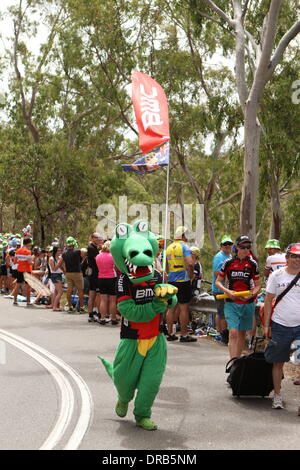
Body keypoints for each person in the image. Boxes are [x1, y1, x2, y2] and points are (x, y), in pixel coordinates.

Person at [264, 243, 300, 412]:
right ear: (287, 258)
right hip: (280, 325)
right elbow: (268, 301)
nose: (297, 260)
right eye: (294, 256)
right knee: (278, 363)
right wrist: (266, 326)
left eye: (299, 257)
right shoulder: (276, 276)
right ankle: (277, 395)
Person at [215, 235, 260, 358]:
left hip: (247, 303)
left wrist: (251, 294)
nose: (246, 250)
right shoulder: (228, 262)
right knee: (233, 333)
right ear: (237, 248)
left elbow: (257, 285)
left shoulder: (253, 264)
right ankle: (233, 361)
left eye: (248, 247)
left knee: (241, 335)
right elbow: (218, 282)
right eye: (243, 247)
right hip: (231, 302)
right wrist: (227, 291)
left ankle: (237, 361)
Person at [165, 226, 196, 342]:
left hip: (172, 279)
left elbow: (166, 266)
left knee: (171, 308)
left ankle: (170, 333)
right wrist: (191, 275)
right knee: (184, 308)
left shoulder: (168, 248)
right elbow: (190, 263)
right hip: (183, 280)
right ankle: (183, 335)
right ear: (183, 236)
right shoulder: (184, 246)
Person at [212, 236, 234, 345]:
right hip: (219, 289)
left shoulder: (230, 256)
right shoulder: (219, 257)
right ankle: (223, 335)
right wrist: (228, 276)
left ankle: (221, 333)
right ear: (221, 246)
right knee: (222, 314)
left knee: (222, 313)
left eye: (229, 244)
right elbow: (216, 273)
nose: (228, 247)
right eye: (225, 245)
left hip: (227, 289)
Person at [95, 240, 118, 325]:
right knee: (112, 300)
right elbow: (115, 267)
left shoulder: (98, 256)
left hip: (101, 278)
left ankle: (102, 318)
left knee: (103, 300)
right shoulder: (112, 256)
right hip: (111, 278)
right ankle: (113, 318)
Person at [62, 237, 85, 313]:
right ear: (73, 244)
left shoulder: (64, 254)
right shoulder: (77, 251)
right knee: (80, 290)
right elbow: (84, 251)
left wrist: (64, 271)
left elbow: (61, 264)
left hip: (68, 273)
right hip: (77, 273)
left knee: (69, 290)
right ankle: (82, 307)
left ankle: (70, 306)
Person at [87, 233, 103, 323]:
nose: (98, 239)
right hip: (95, 274)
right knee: (97, 294)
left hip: (94, 274)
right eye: (96, 237)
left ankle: (92, 314)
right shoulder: (91, 248)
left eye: (99, 237)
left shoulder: (93, 247)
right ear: (92, 238)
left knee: (93, 294)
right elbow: (98, 259)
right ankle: (99, 314)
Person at [13, 237, 33, 306]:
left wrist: (21, 261)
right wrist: (32, 262)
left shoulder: (18, 251)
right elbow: (29, 262)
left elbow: (15, 262)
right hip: (27, 270)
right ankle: (28, 302)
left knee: (17, 285)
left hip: (20, 270)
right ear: (28, 243)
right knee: (28, 286)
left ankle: (15, 301)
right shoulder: (28, 251)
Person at [49, 245, 64, 311]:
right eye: (58, 250)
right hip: (55, 275)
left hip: (60, 275)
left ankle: (54, 305)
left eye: (60, 250)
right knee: (60, 292)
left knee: (56, 291)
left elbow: (61, 267)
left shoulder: (60, 257)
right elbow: (54, 269)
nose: (59, 252)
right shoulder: (51, 258)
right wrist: (60, 262)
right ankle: (55, 307)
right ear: (55, 251)